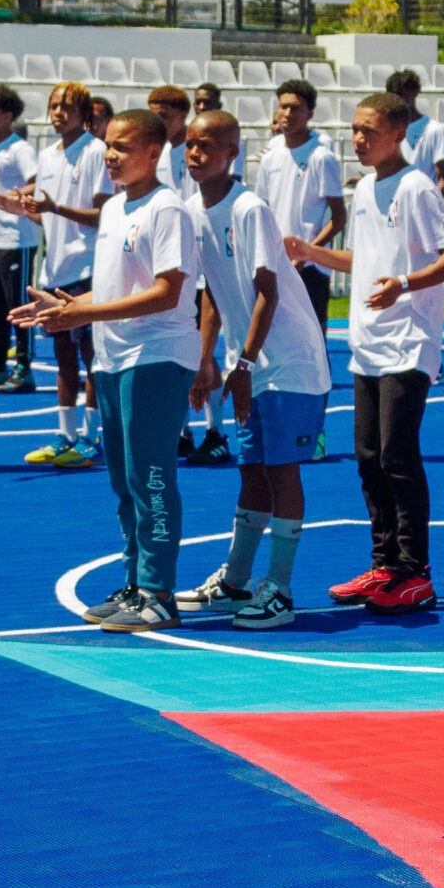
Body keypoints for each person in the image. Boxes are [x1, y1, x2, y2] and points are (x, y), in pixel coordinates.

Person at [17, 107, 202, 632]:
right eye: (109, 144)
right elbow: (117, 289)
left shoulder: (167, 209)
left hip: (158, 354)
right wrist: (60, 307)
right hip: (115, 355)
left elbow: (168, 292)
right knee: (124, 479)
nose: (110, 154)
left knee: (152, 476)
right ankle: (137, 583)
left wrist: (84, 312)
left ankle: (159, 592)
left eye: (123, 146)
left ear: (153, 152)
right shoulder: (117, 208)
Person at [294, 91, 444, 612]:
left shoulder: (415, 187)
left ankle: (415, 571)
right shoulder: (367, 188)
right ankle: (384, 564)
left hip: (408, 341)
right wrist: (309, 252)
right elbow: (364, 260)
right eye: (354, 129)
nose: (359, 138)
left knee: (397, 454)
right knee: (369, 457)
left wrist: (405, 285)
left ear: (399, 133)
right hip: (367, 341)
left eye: (369, 129)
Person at [182, 108, 324, 630]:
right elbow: (213, 296)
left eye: (208, 146)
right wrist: (205, 361)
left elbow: (269, 289)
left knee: (281, 470)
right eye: (190, 145)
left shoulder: (248, 208)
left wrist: (242, 362)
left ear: (232, 154)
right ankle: (237, 579)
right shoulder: (194, 212)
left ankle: (280, 589)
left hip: (286, 360)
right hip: (250, 362)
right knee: (250, 468)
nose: (196, 154)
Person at [0, 81, 111, 469]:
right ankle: (65, 435)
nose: (59, 112)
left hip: (89, 269)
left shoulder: (96, 152)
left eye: (67, 106)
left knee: (92, 356)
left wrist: (56, 208)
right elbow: (45, 211)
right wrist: (20, 208)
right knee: (63, 356)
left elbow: (103, 215)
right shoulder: (48, 156)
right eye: (54, 106)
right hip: (55, 268)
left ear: (85, 113)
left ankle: (94, 438)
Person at [253, 77, 345, 453]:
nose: (287, 113)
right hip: (274, 268)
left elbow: (338, 217)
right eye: (283, 106)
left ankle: (315, 432)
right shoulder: (270, 156)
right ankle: (276, 427)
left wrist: (308, 252)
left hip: (309, 272)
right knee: (270, 345)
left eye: (295, 108)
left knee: (312, 348)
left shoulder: (321, 156)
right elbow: (260, 212)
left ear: (310, 113)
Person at [0, 84, 39, 397]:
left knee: (20, 305)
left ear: (8, 115)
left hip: (16, 237)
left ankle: (24, 367)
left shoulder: (20, 149)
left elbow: (37, 183)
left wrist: (11, 197)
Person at [389, 67, 444, 196]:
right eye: (395, 95)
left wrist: (426, 204)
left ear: (415, 92)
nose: (400, 100)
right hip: (394, 208)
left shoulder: (434, 130)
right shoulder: (389, 130)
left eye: (403, 94)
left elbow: (443, 180)